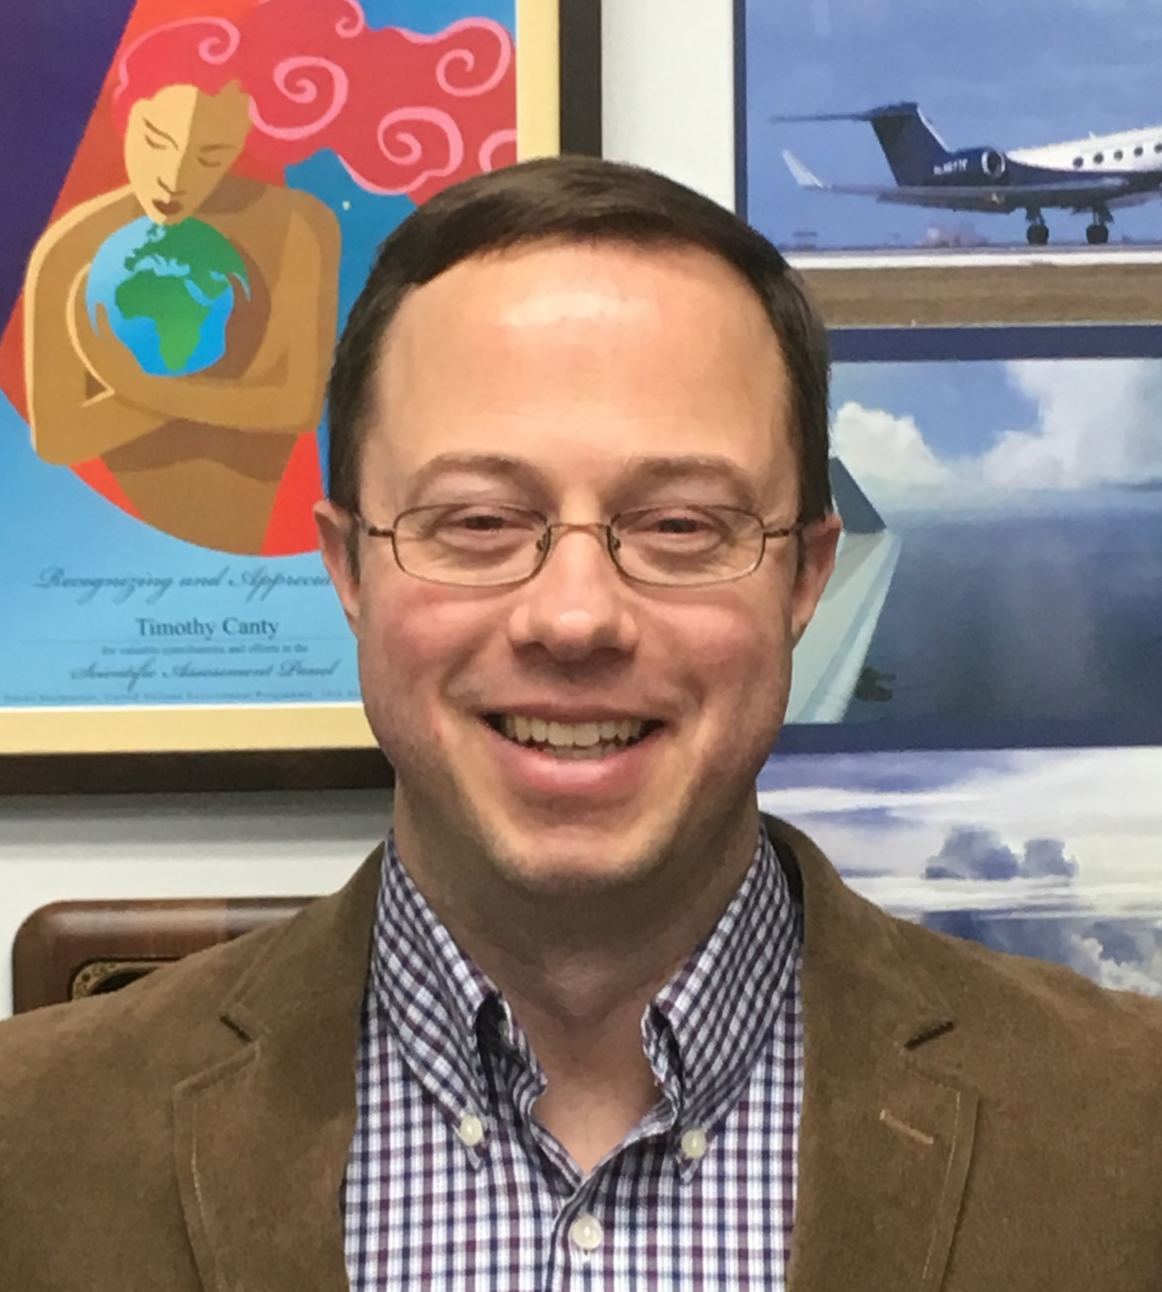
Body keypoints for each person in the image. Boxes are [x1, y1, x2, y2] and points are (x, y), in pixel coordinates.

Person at [2, 156, 1161, 1291]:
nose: (573, 616)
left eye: (679, 525)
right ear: (349, 567)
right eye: (477, 520)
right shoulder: (31, 1142)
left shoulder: (1127, 1125)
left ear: (804, 579)